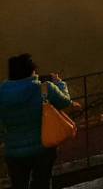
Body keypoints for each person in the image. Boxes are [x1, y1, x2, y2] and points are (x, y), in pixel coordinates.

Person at [0, 53, 76, 189]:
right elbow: (65, 102)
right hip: (43, 148)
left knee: (18, 185)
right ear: (31, 70)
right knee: (42, 183)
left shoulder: (2, 93)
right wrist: (60, 83)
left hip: (13, 151)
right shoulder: (45, 88)